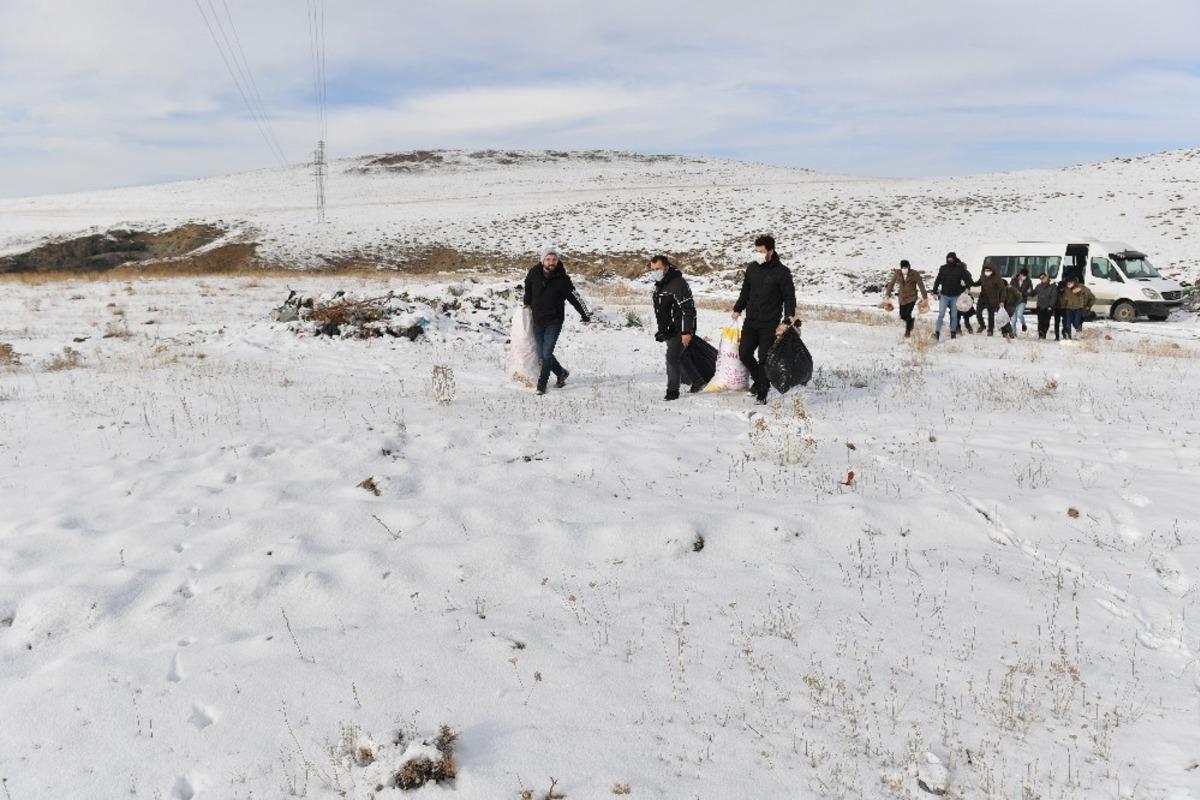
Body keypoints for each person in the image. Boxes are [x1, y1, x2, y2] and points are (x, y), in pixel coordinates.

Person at [731, 234, 798, 404]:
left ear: (771, 251)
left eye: (761, 251)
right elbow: (745, 291)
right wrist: (738, 308)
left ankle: (762, 392)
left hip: (769, 323)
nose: (758, 254)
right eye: (756, 251)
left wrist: (786, 320)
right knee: (744, 353)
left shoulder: (782, 272)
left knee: (763, 357)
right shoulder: (752, 268)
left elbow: (789, 298)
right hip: (751, 320)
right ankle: (760, 381)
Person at [523, 243, 591, 395]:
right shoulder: (534, 273)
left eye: (554, 259)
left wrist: (585, 314)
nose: (551, 262)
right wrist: (526, 303)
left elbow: (575, 297)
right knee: (542, 354)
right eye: (548, 259)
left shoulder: (562, 279)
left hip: (554, 321)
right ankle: (561, 373)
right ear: (542, 261)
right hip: (537, 320)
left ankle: (542, 384)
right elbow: (527, 287)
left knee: (546, 354)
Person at [650, 255, 702, 400]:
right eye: (652, 269)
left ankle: (672, 392)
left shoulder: (678, 284)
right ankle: (698, 381)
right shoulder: (661, 283)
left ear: (666, 267)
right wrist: (662, 330)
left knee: (672, 358)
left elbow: (688, 309)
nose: (655, 272)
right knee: (681, 356)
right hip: (668, 329)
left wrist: (686, 331)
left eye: (658, 269)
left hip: (680, 328)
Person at [931, 252, 972, 340]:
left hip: (955, 297)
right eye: (948, 259)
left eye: (951, 259)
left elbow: (967, 279)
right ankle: (937, 333)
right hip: (944, 295)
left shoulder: (959, 269)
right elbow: (937, 280)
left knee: (954, 315)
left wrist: (967, 288)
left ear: (954, 259)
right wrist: (934, 291)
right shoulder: (943, 268)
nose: (950, 260)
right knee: (941, 314)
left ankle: (953, 333)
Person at [883, 259, 928, 337]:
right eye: (902, 267)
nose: (904, 269)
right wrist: (887, 295)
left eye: (905, 267)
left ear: (909, 266)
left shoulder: (914, 274)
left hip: (912, 297)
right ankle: (911, 321)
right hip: (902, 297)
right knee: (902, 315)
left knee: (907, 313)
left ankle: (908, 331)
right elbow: (891, 284)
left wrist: (925, 297)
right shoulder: (898, 273)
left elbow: (921, 285)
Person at [976, 263, 1007, 336]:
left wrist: (1002, 300)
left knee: (991, 315)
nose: (987, 272)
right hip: (982, 298)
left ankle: (990, 330)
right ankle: (982, 325)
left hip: (992, 299)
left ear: (992, 271)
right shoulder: (983, 276)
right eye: (985, 270)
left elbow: (1003, 289)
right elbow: (978, 283)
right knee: (978, 312)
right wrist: (970, 283)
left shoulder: (997, 278)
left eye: (988, 270)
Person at [1033, 273, 1059, 340]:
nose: (1042, 279)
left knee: (1046, 321)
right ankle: (1041, 334)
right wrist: (1029, 292)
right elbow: (1034, 293)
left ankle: (1044, 332)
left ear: (1047, 277)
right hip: (1040, 306)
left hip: (1048, 307)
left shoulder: (1052, 286)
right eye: (1041, 278)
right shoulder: (1039, 286)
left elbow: (1054, 297)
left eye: (1043, 277)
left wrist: (1051, 305)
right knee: (1040, 321)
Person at [1010, 269, 1033, 336]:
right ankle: (1013, 333)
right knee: (1013, 319)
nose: (1023, 277)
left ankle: (1023, 324)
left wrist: (1024, 293)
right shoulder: (1014, 280)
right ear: (1020, 274)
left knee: (1020, 314)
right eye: (1022, 275)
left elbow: (1030, 291)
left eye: (1024, 276)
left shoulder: (1028, 281)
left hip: (1022, 300)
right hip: (1013, 301)